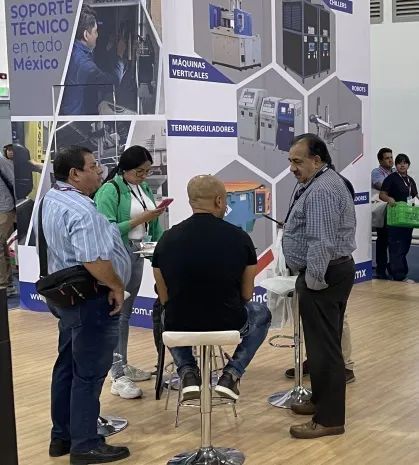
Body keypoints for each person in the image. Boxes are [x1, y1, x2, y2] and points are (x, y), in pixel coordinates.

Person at [35, 146, 132, 464]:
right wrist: (116, 285)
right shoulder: (82, 210)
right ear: (75, 173)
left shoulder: (52, 198)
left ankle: (62, 437)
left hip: (67, 299)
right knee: (88, 373)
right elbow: (94, 260)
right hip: (90, 300)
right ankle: (86, 443)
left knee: (67, 366)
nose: (100, 171)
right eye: (93, 166)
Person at [152, 175, 271, 402]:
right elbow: (247, 295)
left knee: (165, 311)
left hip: (181, 324)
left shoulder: (166, 239)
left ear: (191, 202)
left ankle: (187, 372)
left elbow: (164, 296)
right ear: (219, 201)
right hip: (229, 322)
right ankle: (231, 374)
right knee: (261, 312)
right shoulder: (241, 238)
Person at [282, 134, 356, 439]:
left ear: (316, 160)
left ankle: (329, 420)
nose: (292, 168)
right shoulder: (321, 182)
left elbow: (321, 242)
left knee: (325, 350)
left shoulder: (322, 190)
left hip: (322, 276)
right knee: (321, 346)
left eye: (297, 161)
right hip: (329, 273)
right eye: (290, 161)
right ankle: (320, 401)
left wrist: (313, 282)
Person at [95, 145, 164, 399]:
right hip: (117, 256)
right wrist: (141, 218)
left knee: (125, 314)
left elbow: (153, 225)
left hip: (138, 252)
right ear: (125, 169)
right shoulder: (109, 190)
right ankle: (116, 374)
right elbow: (108, 229)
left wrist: (160, 248)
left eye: (147, 171)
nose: (144, 176)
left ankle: (121, 364)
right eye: (139, 172)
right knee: (117, 314)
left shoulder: (144, 188)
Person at [61, 5, 126, 115]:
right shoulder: (83, 64)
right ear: (86, 35)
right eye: (95, 31)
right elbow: (112, 83)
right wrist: (120, 55)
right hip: (76, 121)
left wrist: (109, 49)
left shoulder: (74, 51)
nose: (97, 35)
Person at [380, 153, 418, 282]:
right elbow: (382, 194)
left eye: (405, 163)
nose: (402, 165)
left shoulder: (410, 180)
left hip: (408, 218)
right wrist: (389, 199)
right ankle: (399, 276)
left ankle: (393, 268)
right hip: (395, 217)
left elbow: (415, 196)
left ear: (408, 165)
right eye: (399, 163)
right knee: (396, 246)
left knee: (405, 246)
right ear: (396, 165)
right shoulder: (391, 178)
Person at [371, 148, 394, 279]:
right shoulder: (376, 172)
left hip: (394, 211)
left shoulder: (395, 172)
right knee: (383, 240)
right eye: (387, 158)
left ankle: (392, 267)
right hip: (382, 211)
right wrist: (397, 186)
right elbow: (382, 186)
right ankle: (381, 269)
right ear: (380, 161)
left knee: (394, 242)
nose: (390, 160)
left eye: (391, 157)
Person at [0, 144, 17, 296]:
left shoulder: (2, 161)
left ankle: (3, 285)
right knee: (2, 244)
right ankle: (8, 284)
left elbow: (13, 180)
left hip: (5, 207)